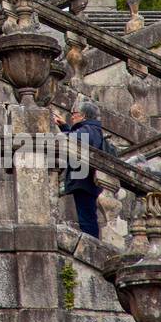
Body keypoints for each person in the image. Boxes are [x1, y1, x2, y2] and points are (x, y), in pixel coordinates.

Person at [53, 100, 107, 238]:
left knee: (87, 218)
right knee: (86, 216)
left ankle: (92, 246)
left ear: (84, 116)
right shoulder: (90, 128)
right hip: (84, 182)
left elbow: (77, 140)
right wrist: (65, 127)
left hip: (85, 182)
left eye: (75, 113)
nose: (72, 116)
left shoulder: (90, 129)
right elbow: (77, 142)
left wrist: (62, 135)